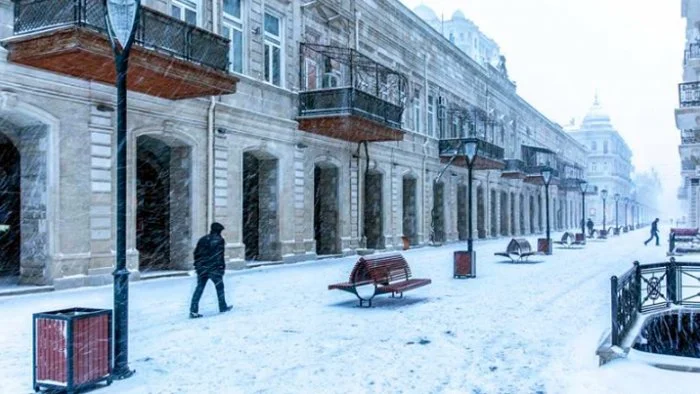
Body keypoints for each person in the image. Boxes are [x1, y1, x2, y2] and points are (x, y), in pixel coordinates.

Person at [190, 222, 232, 318]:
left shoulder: (203, 239)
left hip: (202, 268)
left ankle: (193, 310)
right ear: (219, 231)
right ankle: (222, 306)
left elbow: (196, 253)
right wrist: (221, 268)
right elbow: (219, 256)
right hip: (214, 269)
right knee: (220, 288)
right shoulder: (219, 240)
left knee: (199, 289)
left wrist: (198, 265)